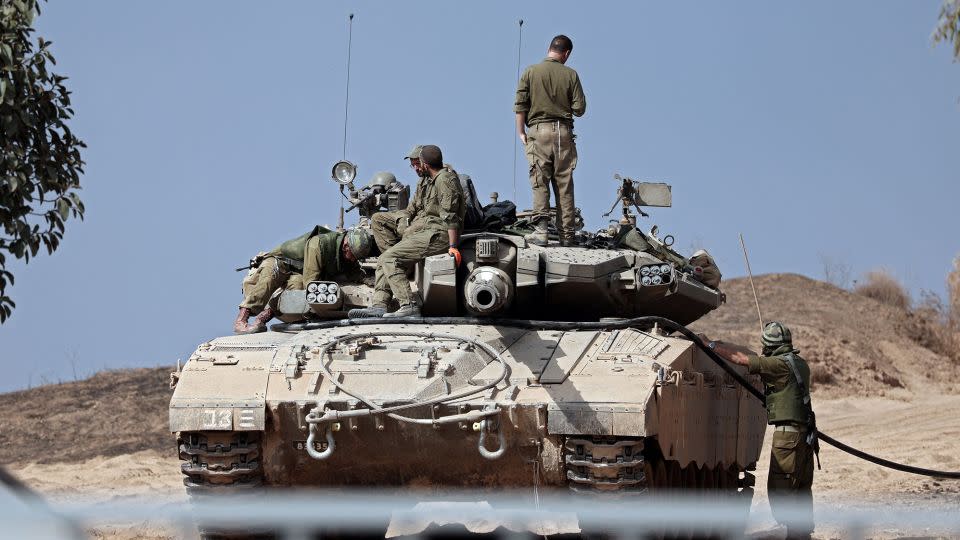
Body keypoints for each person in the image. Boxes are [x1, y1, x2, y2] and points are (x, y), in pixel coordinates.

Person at [706, 322, 817, 540]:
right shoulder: (799, 363)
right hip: (805, 435)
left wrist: (709, 344)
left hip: (788, 437)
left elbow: (741, 360)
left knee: (781, 486)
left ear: (769, 345)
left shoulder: (778, 364)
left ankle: (794, 533)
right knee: (801, 486)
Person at [351, 144, 465, 319]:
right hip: (423, 229)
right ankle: (380, 305)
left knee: (390, 258)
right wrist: (404, 220)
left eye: (416, 164)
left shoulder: (445, 180)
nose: (415, 168)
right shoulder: (425, 181)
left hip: (437, 233)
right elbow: (412, 208)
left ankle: (409, 304)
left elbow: (451, 216)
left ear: (424, 162)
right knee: (386, 254)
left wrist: (453, 246)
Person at [514, 34, 586, 247]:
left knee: (539, 181)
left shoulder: (530, 72)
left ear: (549, 48)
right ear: (567, 53)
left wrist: (521, 132)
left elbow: (520, 105)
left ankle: (541, 231)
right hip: (563, 134)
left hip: (538, 132)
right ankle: (567, 236)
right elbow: (579, 109)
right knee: (564, 185)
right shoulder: (571, 74)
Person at [235, 227, 371, 333]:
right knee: (269, 279)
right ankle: (241, 321)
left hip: (298, 272)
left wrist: (369, 280)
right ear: (346, 245)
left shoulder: (347, 255)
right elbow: (311, 283)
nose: (353, 259)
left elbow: (356, 273)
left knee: (296, 294)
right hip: (280, 262)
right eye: (353, 255)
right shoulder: (319, 244)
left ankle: (261, 319)